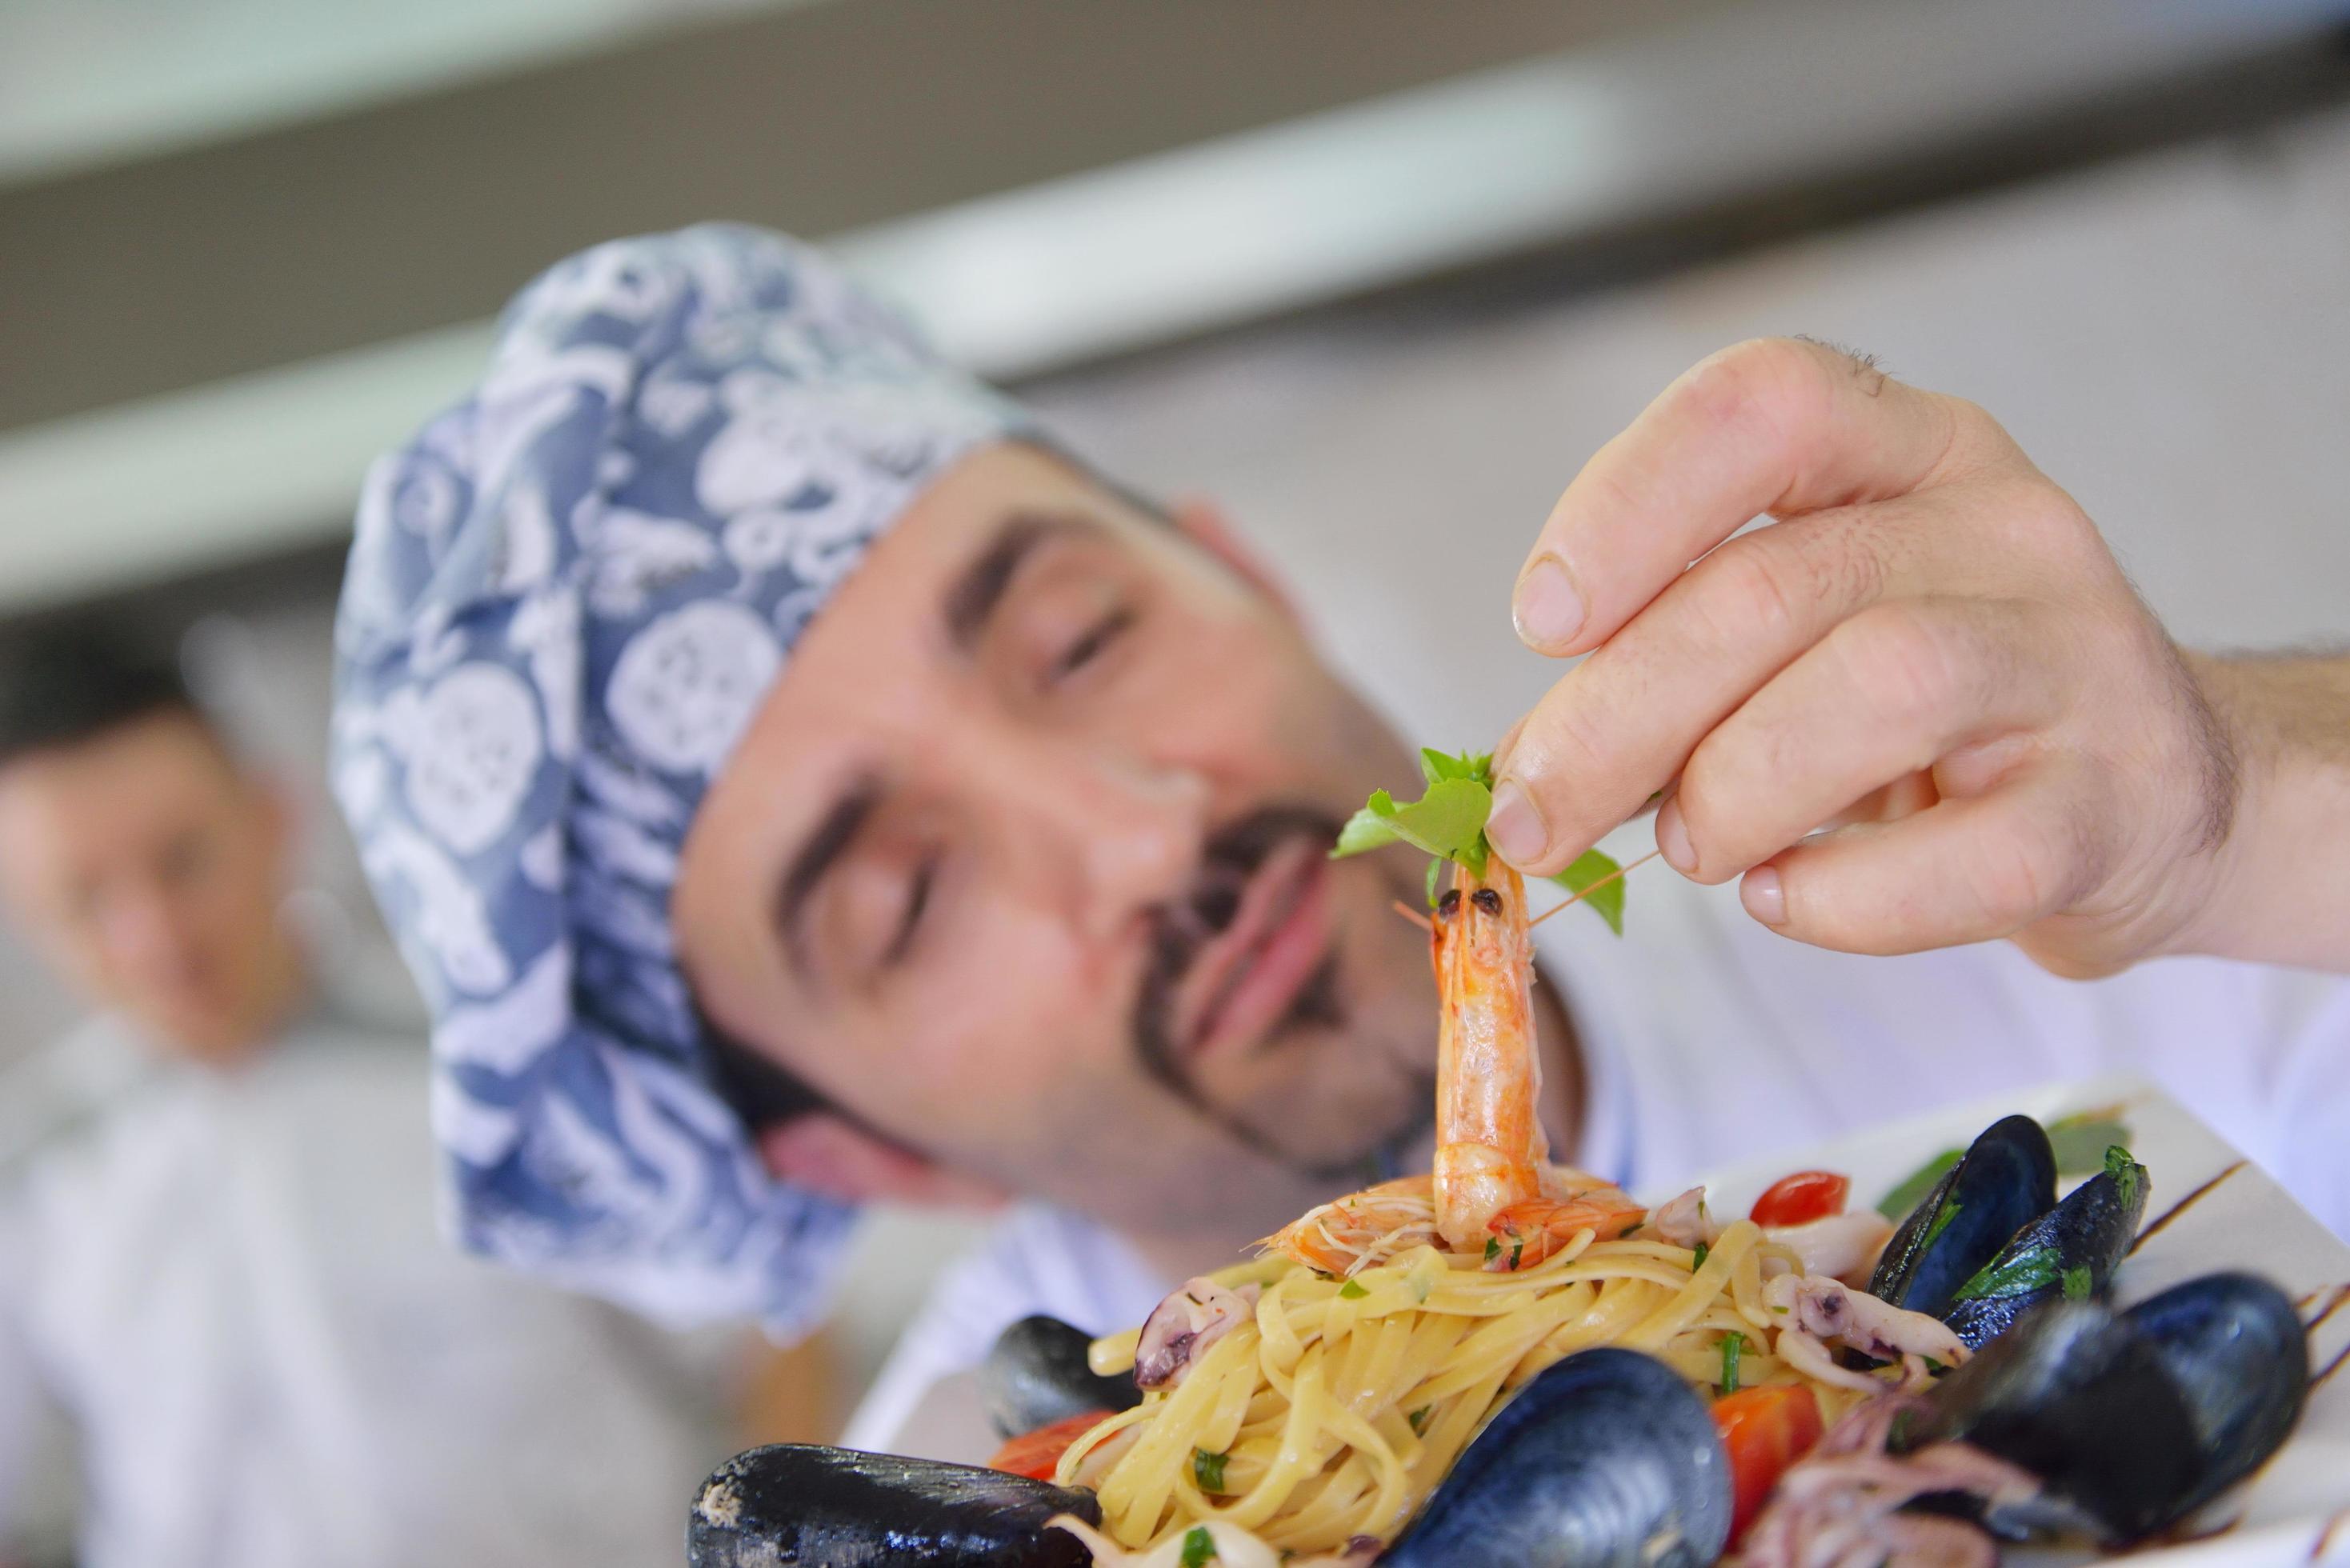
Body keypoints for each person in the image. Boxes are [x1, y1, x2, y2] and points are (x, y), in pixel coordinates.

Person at [327, 226, 2350, 1455]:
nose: (1136, 838)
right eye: (906, 897)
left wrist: (2247, 798)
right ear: (857, 1156)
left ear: (1240, 573)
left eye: (1080, 636)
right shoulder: (1012, 1494)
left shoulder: (2009, 875)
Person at [0, 631, 834, 1568]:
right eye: (84, 899)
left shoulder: (500, 1057)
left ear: (272, 815)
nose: (152, 936)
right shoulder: (29, 1165)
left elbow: (769, 1326)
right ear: (30, 917)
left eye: (182, 860)